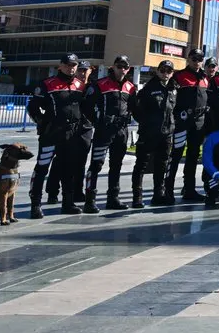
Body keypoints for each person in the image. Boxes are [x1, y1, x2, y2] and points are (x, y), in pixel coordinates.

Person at [28, 54, 88, 217]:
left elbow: (84, 109)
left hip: (71, 136)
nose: (72, 68)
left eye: (74, 65)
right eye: (68, 65)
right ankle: (35, 204)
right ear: (60, 66)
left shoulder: (80, 85)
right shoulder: (47, 84)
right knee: (42, 168)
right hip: (51, 134)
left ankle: (68, 203)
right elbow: (33, 107)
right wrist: (42, 123)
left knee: (69, 169)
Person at [82, 54, 136, 212]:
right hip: (104, 131)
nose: (122, 70)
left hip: (122, 131)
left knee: (116, 165)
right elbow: (86, 106)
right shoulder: (99, 84)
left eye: (125, 67)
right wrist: (97, 120)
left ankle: (113, 198)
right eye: (119, 66)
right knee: (96, 165)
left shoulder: (131, 87)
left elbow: (134, 107)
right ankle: (89, 200)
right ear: (113, 67)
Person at [132, 61, 176, 207]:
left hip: (166, 134)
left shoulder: (174, 88)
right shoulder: (148, 88)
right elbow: (137, 110)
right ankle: (137, 197)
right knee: (141, 165)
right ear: (157, 71)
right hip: (148, 134)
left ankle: (158, 194)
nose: (165, 73)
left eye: (169, 70)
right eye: (162, 70)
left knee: (162, 165)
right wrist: (147, 124)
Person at [173, 48, 211, 202]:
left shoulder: (205, 78)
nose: (197, 62)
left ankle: (189, 189)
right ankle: (166, 190)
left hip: (198, 122)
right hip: (182, 121)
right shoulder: (179, 76)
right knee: (175, 155)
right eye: (194, 59)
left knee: (193, 156)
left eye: (200, 59)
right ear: (188, 59)